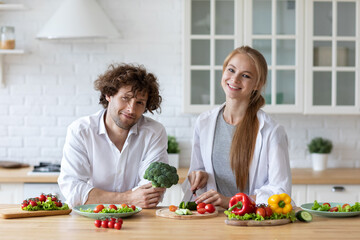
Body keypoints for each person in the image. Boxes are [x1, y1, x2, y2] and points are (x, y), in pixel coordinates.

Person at [184, 46, 291, 209]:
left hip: (253, 222)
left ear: (258, 84)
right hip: (213, 219)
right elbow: (196, 172)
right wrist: (199, 176)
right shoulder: (204, 122)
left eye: (246, 75)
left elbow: (281, 193)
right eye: (231, 70)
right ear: (223, 71)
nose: (234, 79)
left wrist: (230, 202)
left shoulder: (271, 131)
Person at [58, 63, 168, 208]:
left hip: (138, 219)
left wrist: (97, 197)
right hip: (89, 218)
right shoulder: (81, 130)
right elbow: (73, 190)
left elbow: (150, 192)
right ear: (109, 95)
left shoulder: (154, 132)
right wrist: (128, 199)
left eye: (139, 102)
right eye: (125, 98)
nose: (131, 109)